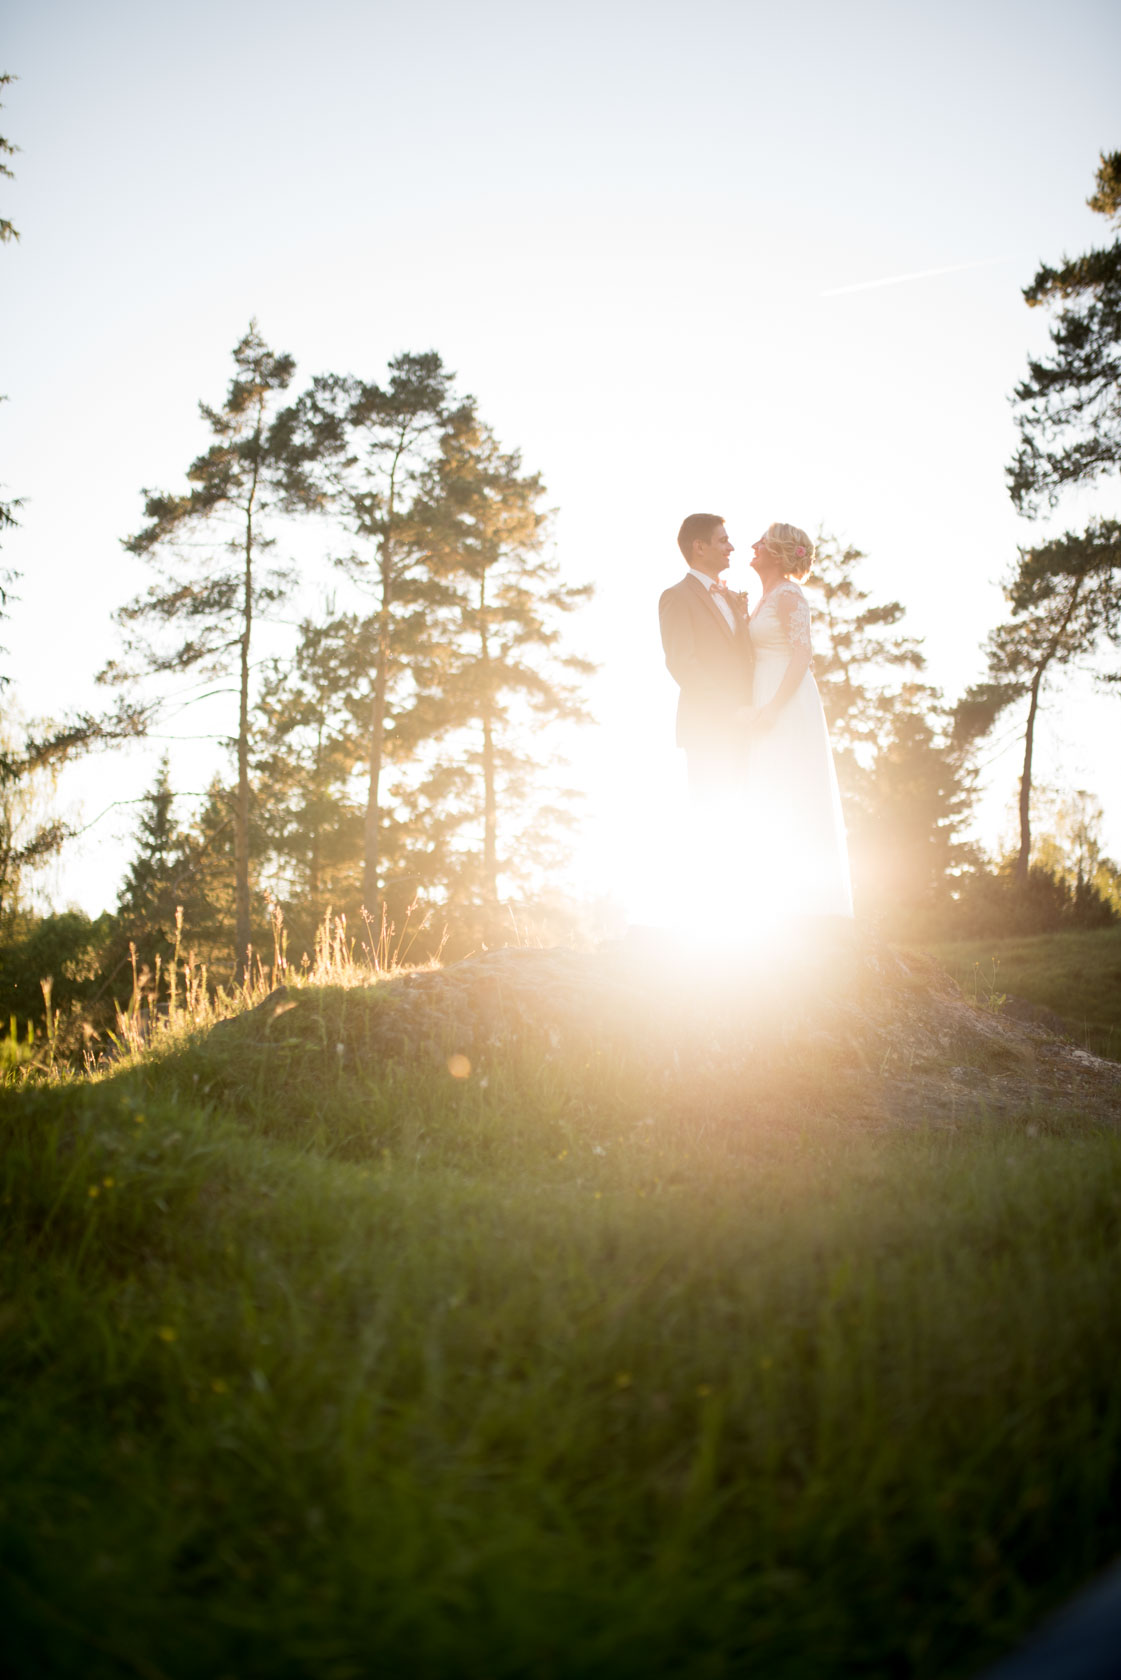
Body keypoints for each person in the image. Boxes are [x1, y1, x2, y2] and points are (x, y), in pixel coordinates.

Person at [743, 522, 853, 918]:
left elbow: (802, 654)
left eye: (761, 542)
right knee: (770, 783)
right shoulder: (763, 597)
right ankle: (776, 901)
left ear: (776, 552)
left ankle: (810, 907)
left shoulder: (790, 595)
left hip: (786, 701)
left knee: (792, 784)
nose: (752, 546)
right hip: (764, 696)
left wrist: (772, 707)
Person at [659, 513, 754, 807]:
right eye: (723, 540)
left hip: (749, 727)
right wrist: (731, 709)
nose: (731, 548)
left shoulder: (732, 597)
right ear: (700, 547)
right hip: (708, 728)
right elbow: (682, 663)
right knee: (714, 814)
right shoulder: (676, 596)